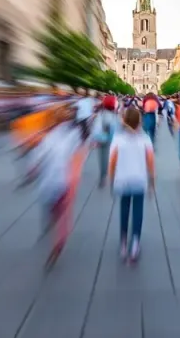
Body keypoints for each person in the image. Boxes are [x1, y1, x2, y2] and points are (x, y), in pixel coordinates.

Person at [30, 104, 88, 268]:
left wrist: (32, 171)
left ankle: (51, 223)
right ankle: (59, 239)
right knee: (64, 213)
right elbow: (79, 154)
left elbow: (37, 158)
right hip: (66, 180)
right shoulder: (74, 135)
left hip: (48, 181)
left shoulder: (47, 138)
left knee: (51, 207)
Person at [109, 108, 155, 263]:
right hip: (139, 180)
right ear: (139, 121)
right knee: (138, 211)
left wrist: (110, 180)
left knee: (124, 209)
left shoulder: (117, 138)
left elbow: (112, 162)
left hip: (122, 180)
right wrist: (152, 183)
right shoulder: (145, 139)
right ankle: (135, 243)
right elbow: (150, 163)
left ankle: (123, 243)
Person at [91, 95, 119, 187]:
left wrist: (95, 140)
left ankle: (103, 177)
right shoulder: (114, 116)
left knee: (103, 159)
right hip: (114, 141)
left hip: (103, 140)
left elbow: (96, 129)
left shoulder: (101, 114)